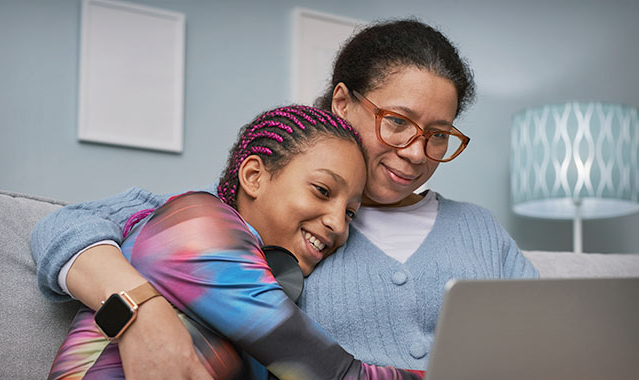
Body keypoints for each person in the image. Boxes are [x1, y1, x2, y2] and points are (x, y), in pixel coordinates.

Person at [31, 18, 538, 379]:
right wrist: (141, 312)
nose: (414, 152)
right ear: (343, 102)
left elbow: (550, 337)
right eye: (398, 122)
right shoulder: (242, 216)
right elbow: (66, 226)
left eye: (438, 135)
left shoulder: (478, 228)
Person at [42, 105, 422, 380]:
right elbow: (337, 376)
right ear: (254, 176)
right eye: (322, 190)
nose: (339, 223)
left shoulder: (259, 277)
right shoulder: (198, 225)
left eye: (351, 212)